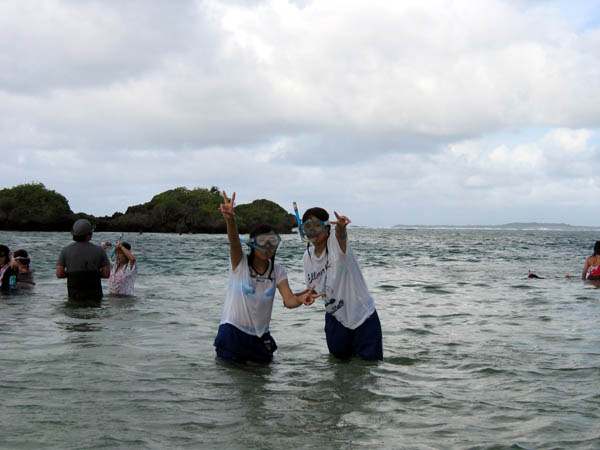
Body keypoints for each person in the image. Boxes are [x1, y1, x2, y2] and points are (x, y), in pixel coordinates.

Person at [214, 191, 323, 363]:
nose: (268, 246)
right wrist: (230, 219)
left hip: (261, 338)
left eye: (272, 241)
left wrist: (301, 299)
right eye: (262, 241)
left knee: (264, 387)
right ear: (252, 243)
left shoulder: (277, 271)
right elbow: (234, 241)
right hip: (233, 335)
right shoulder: (240, 264)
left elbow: (288, 301)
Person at [299, 207, 383, 361]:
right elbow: (315, 288)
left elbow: (341, 236)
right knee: (339, 371)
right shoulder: (307, 257)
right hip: (335, 318)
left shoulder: (336, 242)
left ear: (326, 227)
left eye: (317, 225)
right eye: (307, 227)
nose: (312, 231)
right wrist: (308, 296)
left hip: (363, 316)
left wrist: (341, 228)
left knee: (369, 369)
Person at [56, 218, 110, 305]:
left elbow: (59, 274)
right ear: (89, 234)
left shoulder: (65, 250)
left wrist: (71, 273)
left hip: (74, 294)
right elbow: (106, 274)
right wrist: (94, 273)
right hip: (95, 295)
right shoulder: (100, 250)